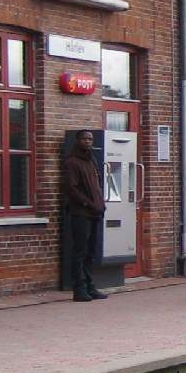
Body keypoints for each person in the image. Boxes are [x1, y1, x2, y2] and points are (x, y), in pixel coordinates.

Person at [62, 129, 107, 302]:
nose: (88, 142)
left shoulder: (91, 160)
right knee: (79, 251)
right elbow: (71, 188)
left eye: (90, 139)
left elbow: (97, 184)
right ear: (78, 141)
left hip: (95, 212)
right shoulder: (72, 162)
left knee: (91, 251)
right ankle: (79, 288)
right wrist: (88, 203)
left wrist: (100, 204)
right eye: (85, 139)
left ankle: (90, 285)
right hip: (81, 213)